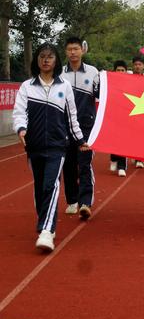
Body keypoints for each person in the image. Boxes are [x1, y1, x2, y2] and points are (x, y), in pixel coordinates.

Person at [13, 43, 87, 252]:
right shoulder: (27, 86)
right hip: (34, 146)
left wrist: (80, 140)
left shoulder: (64, 87)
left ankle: (47, 231)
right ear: (37, 60)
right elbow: (19, 112)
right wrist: (21, 129)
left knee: (51, 185)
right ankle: (45, 223)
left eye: (50, 57)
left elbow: (72, 117)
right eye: (42, 56)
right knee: (39, 187)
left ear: (56, 61)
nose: (46, 60)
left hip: (57, 145)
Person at [61, 37, 99, 220]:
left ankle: (85, 203)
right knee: (68, 165)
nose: (73, 52)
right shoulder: (60, 74)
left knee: (84, 164)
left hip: (86, 127)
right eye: (69, 49)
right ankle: (72, 201)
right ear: (66, 52)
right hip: (65, 127)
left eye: (76, 49)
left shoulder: (93, 72)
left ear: (82, 50)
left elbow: (102, 94)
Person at [109, 60, 128, 177]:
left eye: (122, 70)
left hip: (126, 116)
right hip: (111, 115)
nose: (120, 72)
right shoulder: (109, 82)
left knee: (123, 140)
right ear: (114, 71)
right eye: (118, 70)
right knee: (113, 139)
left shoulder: (131, 82)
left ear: (126, 71)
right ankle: (113, 158)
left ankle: (122, 167)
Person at [131, 55, 144, 168]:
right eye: (135, 64)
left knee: (141, 135)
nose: (137, 66)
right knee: (131, 135)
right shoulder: (127, 78)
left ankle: (139, 159)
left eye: (139, 64)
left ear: (143, 66)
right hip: (130, 109)